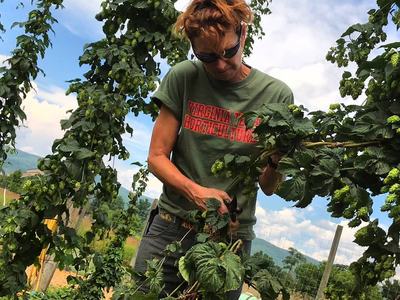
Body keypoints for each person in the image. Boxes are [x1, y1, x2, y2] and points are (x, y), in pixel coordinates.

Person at [133, 0, 294, 298]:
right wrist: (196, 192)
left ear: (242, 34)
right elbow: (156, 158)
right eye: (206, 57)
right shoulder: (184, 77)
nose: (219, 65)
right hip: (170, 229)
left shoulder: (276, 96)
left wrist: (276, 160)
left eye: (227, 52)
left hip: (228, 243)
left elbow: (268, 187)